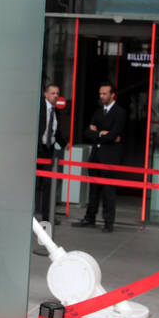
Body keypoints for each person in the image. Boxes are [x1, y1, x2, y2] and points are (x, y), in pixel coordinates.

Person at [77, 83, 128, 232]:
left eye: (104, 93)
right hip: (95, 156)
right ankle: (90, 217)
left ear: (112, 95)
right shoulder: (98, 111)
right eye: (100, 93)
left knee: (108, 190)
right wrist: (101, 134)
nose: (101, 96)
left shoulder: (120, 112)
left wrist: (99, 133)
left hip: (110, 157)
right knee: (93, 189)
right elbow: (87, 132)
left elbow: (114, 134)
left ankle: (108, 222)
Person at [35, 82, 67, 221]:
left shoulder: (56, 112)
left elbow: (56, 132)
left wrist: (65, 144)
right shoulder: (39, 108)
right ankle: (31, 215)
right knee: (35, 184)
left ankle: (47, 217)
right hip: (37, 150)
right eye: (52, 93)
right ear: (45, 94)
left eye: (57, 94)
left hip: (49, 151)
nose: (55, 96)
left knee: (48, 185)